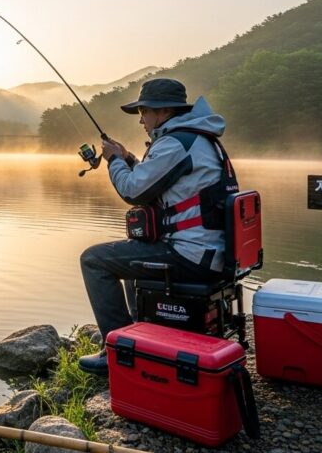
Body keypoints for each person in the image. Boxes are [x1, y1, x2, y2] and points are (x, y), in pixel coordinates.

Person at [77, 78, 235, 375]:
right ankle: (139, 338)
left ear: (162, 112)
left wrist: (113, 161)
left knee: (94, 260)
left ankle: (118, 352)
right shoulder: (195, 139)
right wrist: (128, 158)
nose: (141, 120)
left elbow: (133, 191)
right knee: (129, 258)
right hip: (208, 250)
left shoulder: (176, 142)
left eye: (143, 112)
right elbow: (156, 182)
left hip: (191, 255)